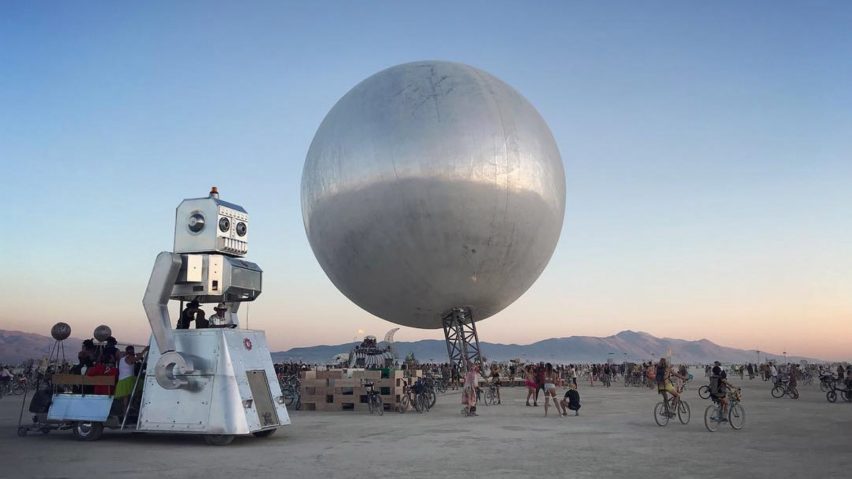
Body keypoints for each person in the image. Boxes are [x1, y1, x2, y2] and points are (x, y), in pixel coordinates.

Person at [115, 346, 139, 413]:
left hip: (121, 379)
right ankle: (127, 410)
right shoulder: (129, 357)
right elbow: (136, 359)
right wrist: (143, 351)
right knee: (128, 396)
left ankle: (125, 411)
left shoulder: (122, 358)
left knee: (125, 397)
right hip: (128, 379)